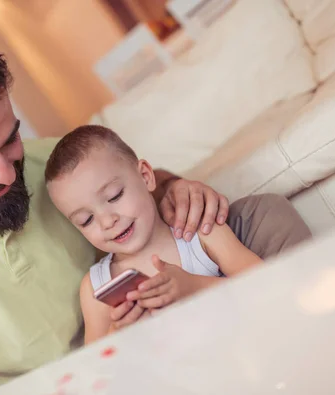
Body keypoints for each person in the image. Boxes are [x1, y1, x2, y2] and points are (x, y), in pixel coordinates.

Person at [0, 28, 311, 395]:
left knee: (264, 215)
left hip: (167, 342)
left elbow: (132, 177)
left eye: (9, 139)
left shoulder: (48, 163)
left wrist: (177, 187)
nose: (7, 174)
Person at [45, 125, 263, 343]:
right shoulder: (96, 287)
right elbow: (98, 365)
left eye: (114, 196)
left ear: (146, 176)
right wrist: (117, 333)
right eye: (86, 220)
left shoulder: (199, 231)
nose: (107, 221)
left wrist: (194, 286)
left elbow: (267, 281)